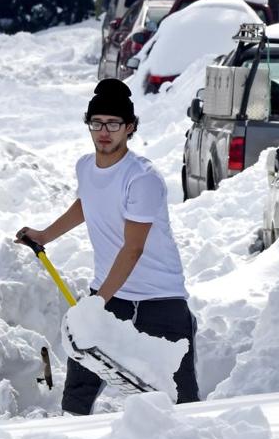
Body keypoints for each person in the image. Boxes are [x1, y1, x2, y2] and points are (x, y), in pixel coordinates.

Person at [15, 78, 200, 411]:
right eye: (96, 123)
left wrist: (97, 303)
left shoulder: (141, 177)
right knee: (79, 387)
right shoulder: (86, 167)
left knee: (180, 399)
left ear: (129, 127)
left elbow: (133, 249)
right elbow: (87, 202)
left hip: (159, 302)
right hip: (110, 294)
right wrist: (44, 236)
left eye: (113, 123)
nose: (104, 131)